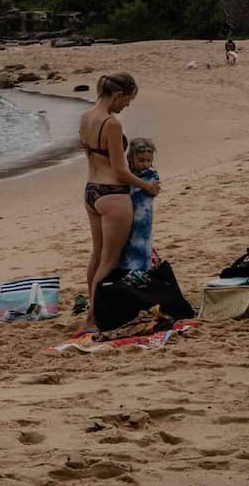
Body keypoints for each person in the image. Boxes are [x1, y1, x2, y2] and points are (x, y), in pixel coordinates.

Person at [79, 73, 161, 330]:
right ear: (117, 95)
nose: (126, 105)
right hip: (113, 195)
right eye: (127, 100)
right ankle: (93, 317)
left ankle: (95, 309)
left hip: (91, 191)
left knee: (97, 256)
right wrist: (146, 185)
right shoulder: (111, 124)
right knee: (109, 261)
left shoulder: (86, 117)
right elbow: (120, 170)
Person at [118, 138, 159, 272]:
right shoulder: (130, 176)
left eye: (148, 160)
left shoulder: (151, 175)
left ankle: (142, 270)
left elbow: (153, 191)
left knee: (143, 243)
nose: (145, 164)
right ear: (131, 159)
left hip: (144, 217)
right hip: (130, 215)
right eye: (141, 161)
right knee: (129, 244)